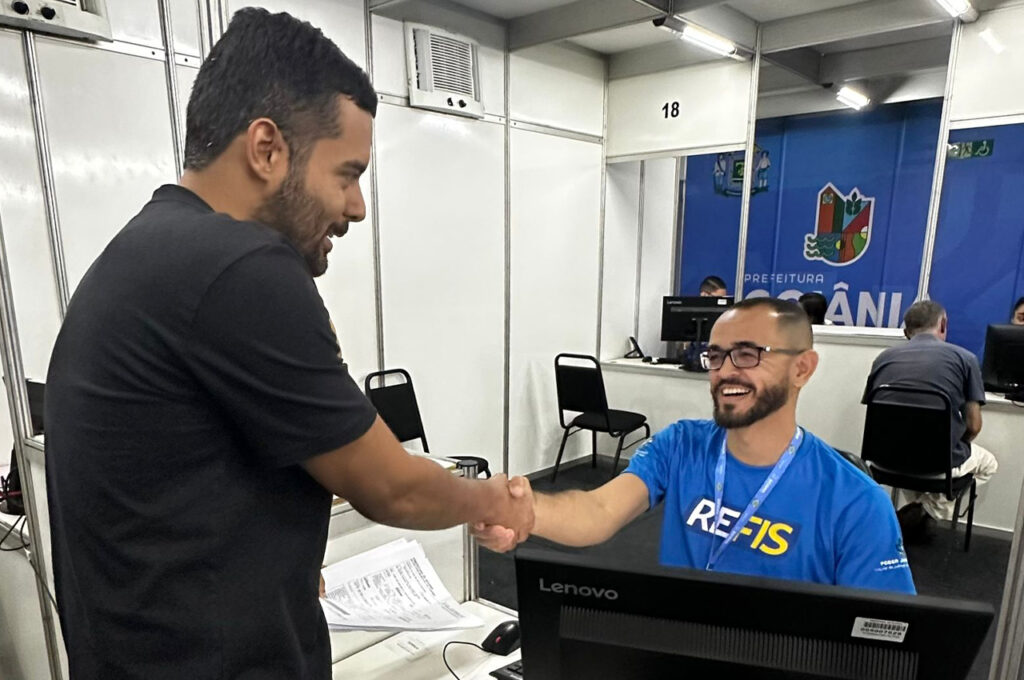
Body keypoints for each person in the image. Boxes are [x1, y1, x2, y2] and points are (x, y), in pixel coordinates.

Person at [44, 10, 532, 679]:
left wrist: (277, 564)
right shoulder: (240, 265)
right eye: (347, 174)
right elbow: (392, 489)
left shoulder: (141, 252)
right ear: (267, 149)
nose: (357, 206)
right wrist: (491, 499)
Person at [475, 298, 916, 594]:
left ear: (802, 368)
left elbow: (885, 638)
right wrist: (528, 511)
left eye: (748, 354)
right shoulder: (682, 444)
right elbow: (600, 510)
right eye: (716, 355)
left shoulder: (856, 502)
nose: (726, 371)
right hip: (677, 651)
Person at [862, 300, 998, 531]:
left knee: (914, 466)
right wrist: (952, 447)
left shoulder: (883, 358)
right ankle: (926, 510)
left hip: (883, 462)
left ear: (906, 331)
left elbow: (876, 414)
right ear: (943, 324)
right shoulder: (965, 359)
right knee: (989, 464)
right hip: (938, 464)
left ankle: (914, 514)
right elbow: (974, 426)